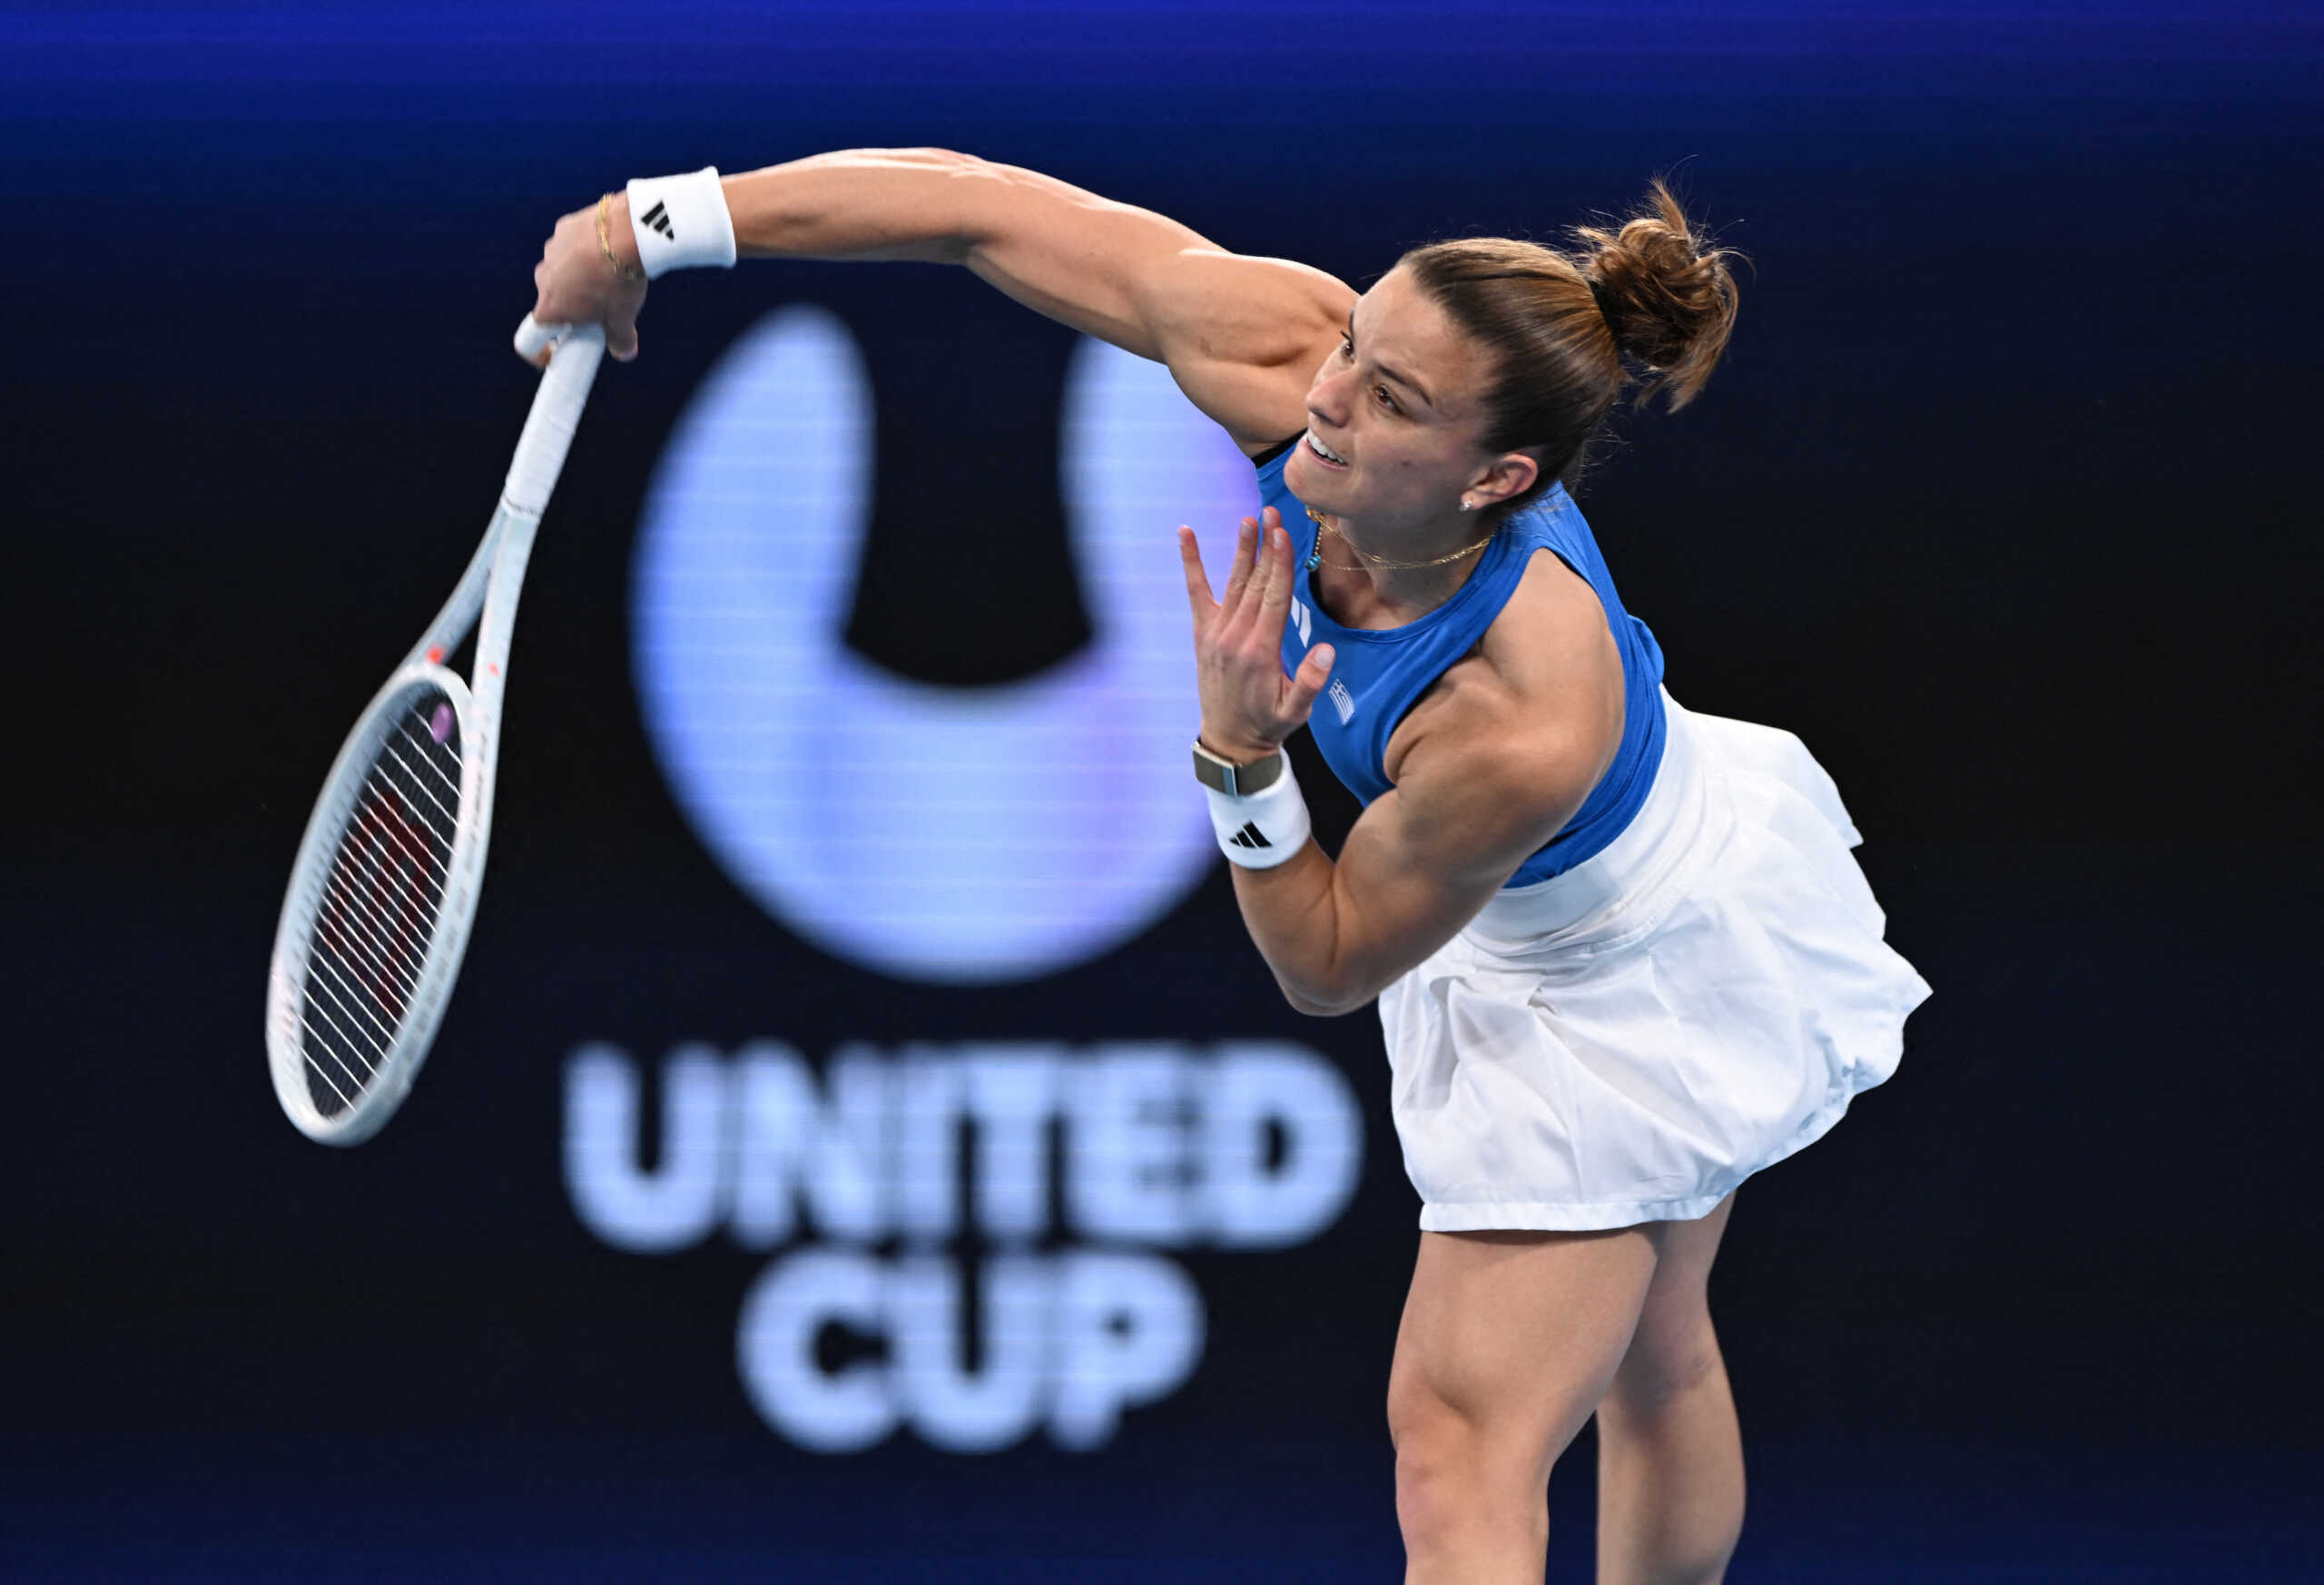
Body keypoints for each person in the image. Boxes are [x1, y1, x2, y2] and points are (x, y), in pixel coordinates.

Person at [531, 152, 1931, 1585]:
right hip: (1619, 834)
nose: (1330, 395)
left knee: (1461, 1445)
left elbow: (1324, 961)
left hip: (1623, 968)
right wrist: (649, 225)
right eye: (1355, 346)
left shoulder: (1518, 719)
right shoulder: (1290, 363)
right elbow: (978, 213)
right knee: (1652, 1340)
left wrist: (1242, 761)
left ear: (1497, 477)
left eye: (1394, 400)